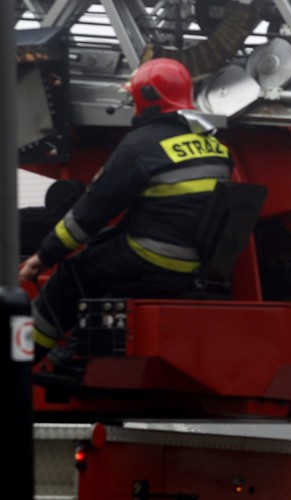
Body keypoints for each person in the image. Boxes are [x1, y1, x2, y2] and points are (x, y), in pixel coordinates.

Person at [19, 58, 234, 367]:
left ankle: (24, 358)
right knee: (101, 250)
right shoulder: (216, 147)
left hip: (153, 257)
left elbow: (89, 215)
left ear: (144, 99)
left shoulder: (139, 147)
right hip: (193, 265)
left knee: (71, 275)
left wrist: (43, 258)